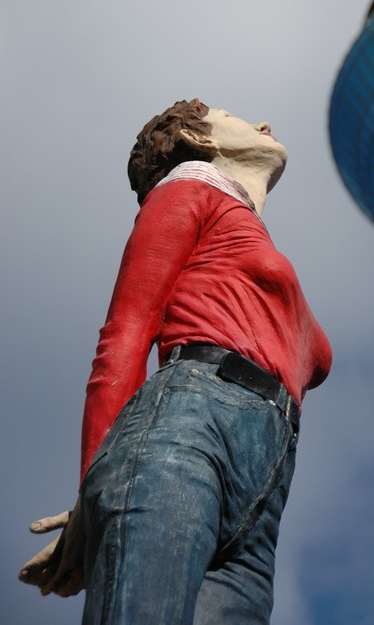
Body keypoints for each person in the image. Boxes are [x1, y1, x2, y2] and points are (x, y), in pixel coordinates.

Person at [19, 99, 332, 624]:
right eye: (234, 117)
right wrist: (92, 494)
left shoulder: (242, 230)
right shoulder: (188, 190)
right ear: (202, 141)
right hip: (189, 428)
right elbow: (124, 336)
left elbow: (313, 356)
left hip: (267, 478)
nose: (262, 124)